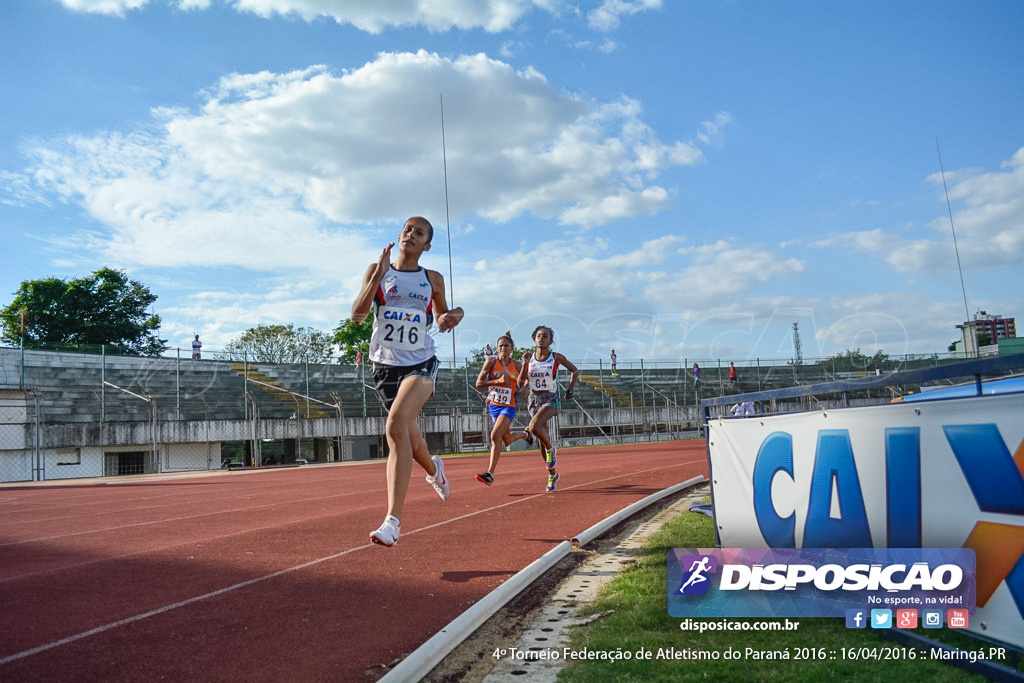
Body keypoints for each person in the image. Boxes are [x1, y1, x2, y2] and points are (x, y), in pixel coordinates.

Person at [351, 216, 464, 547]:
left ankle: (393, 522)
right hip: (384, 367)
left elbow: (448, 314)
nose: (410, 235)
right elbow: (357, 315)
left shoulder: (433, 279)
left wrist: (452, 317)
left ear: (426, 245)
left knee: (395, 428)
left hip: (421, 362)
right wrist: (376, 276)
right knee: (408, 437)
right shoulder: (378, 269)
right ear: (399, 237)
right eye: (406, 230)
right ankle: (435, 471)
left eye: (419, 232)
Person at [518, 325, 578, 492]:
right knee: (541, 442)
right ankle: (552, 475)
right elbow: (520, 381)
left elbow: (574, 370)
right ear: (534, 339)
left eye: (545, 336)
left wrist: (570, 390)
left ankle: (552, 449)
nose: (541, 338)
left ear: (551, 341)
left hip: (550, 400)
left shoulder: (556, 357)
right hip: (533, 400)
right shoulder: (529, 358)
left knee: (534, 427)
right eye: (538, 336)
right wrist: (524, 364)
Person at [474, 332, 533, 485]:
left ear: (512, 348)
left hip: (509, 406)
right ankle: (526, 435)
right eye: (500, 346)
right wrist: (497, 381)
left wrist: (526, 388)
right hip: (494, 406)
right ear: (497, 348)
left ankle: (490, 474)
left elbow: (527, 379)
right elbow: (479, 384)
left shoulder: (517, 365)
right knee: (506, 440)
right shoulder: (491, 363)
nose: (503, 348)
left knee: (495, 436)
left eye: (506, 346)